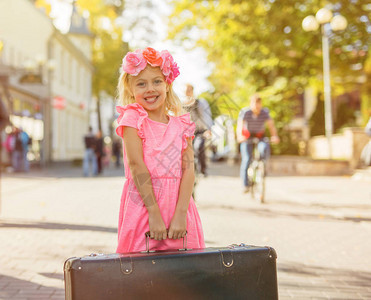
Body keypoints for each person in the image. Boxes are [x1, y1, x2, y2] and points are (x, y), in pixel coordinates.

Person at [115, 47, 204, 253]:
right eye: (141, 83)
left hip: (179, 207)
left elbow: (189, 170)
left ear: (167, 84)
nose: (150, 89)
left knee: (185, 273)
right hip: (144, 207)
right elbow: (136, 166)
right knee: (140, 271)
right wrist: (154, 214)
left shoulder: (182, 124)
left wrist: (181, 213)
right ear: (130, 88)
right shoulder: (133, 120)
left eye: (157, 81)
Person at [236, 94, 280, 193]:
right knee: (246, 159)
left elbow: (271, 125)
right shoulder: (245, 112)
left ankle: (262, 167)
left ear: (261, 104)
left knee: (264, 148)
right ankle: (245, 184)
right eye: (254, 104)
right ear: (251, 104)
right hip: (247, 137)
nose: (256, 106)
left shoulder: (264, 112)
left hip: (260, 136)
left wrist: (275, 136)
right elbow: (240, 125)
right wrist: (240, 136)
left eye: (258, 104)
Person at [185, 84, 213, 176]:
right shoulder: (182, 104)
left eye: (188, 90)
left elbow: (207, 116)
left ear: (192, 91)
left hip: (201, 130)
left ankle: (202, 169)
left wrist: (208, 130)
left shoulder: (200, 103)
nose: (186, 92)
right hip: (188, 132)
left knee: (198, 146)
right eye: (185, 91)